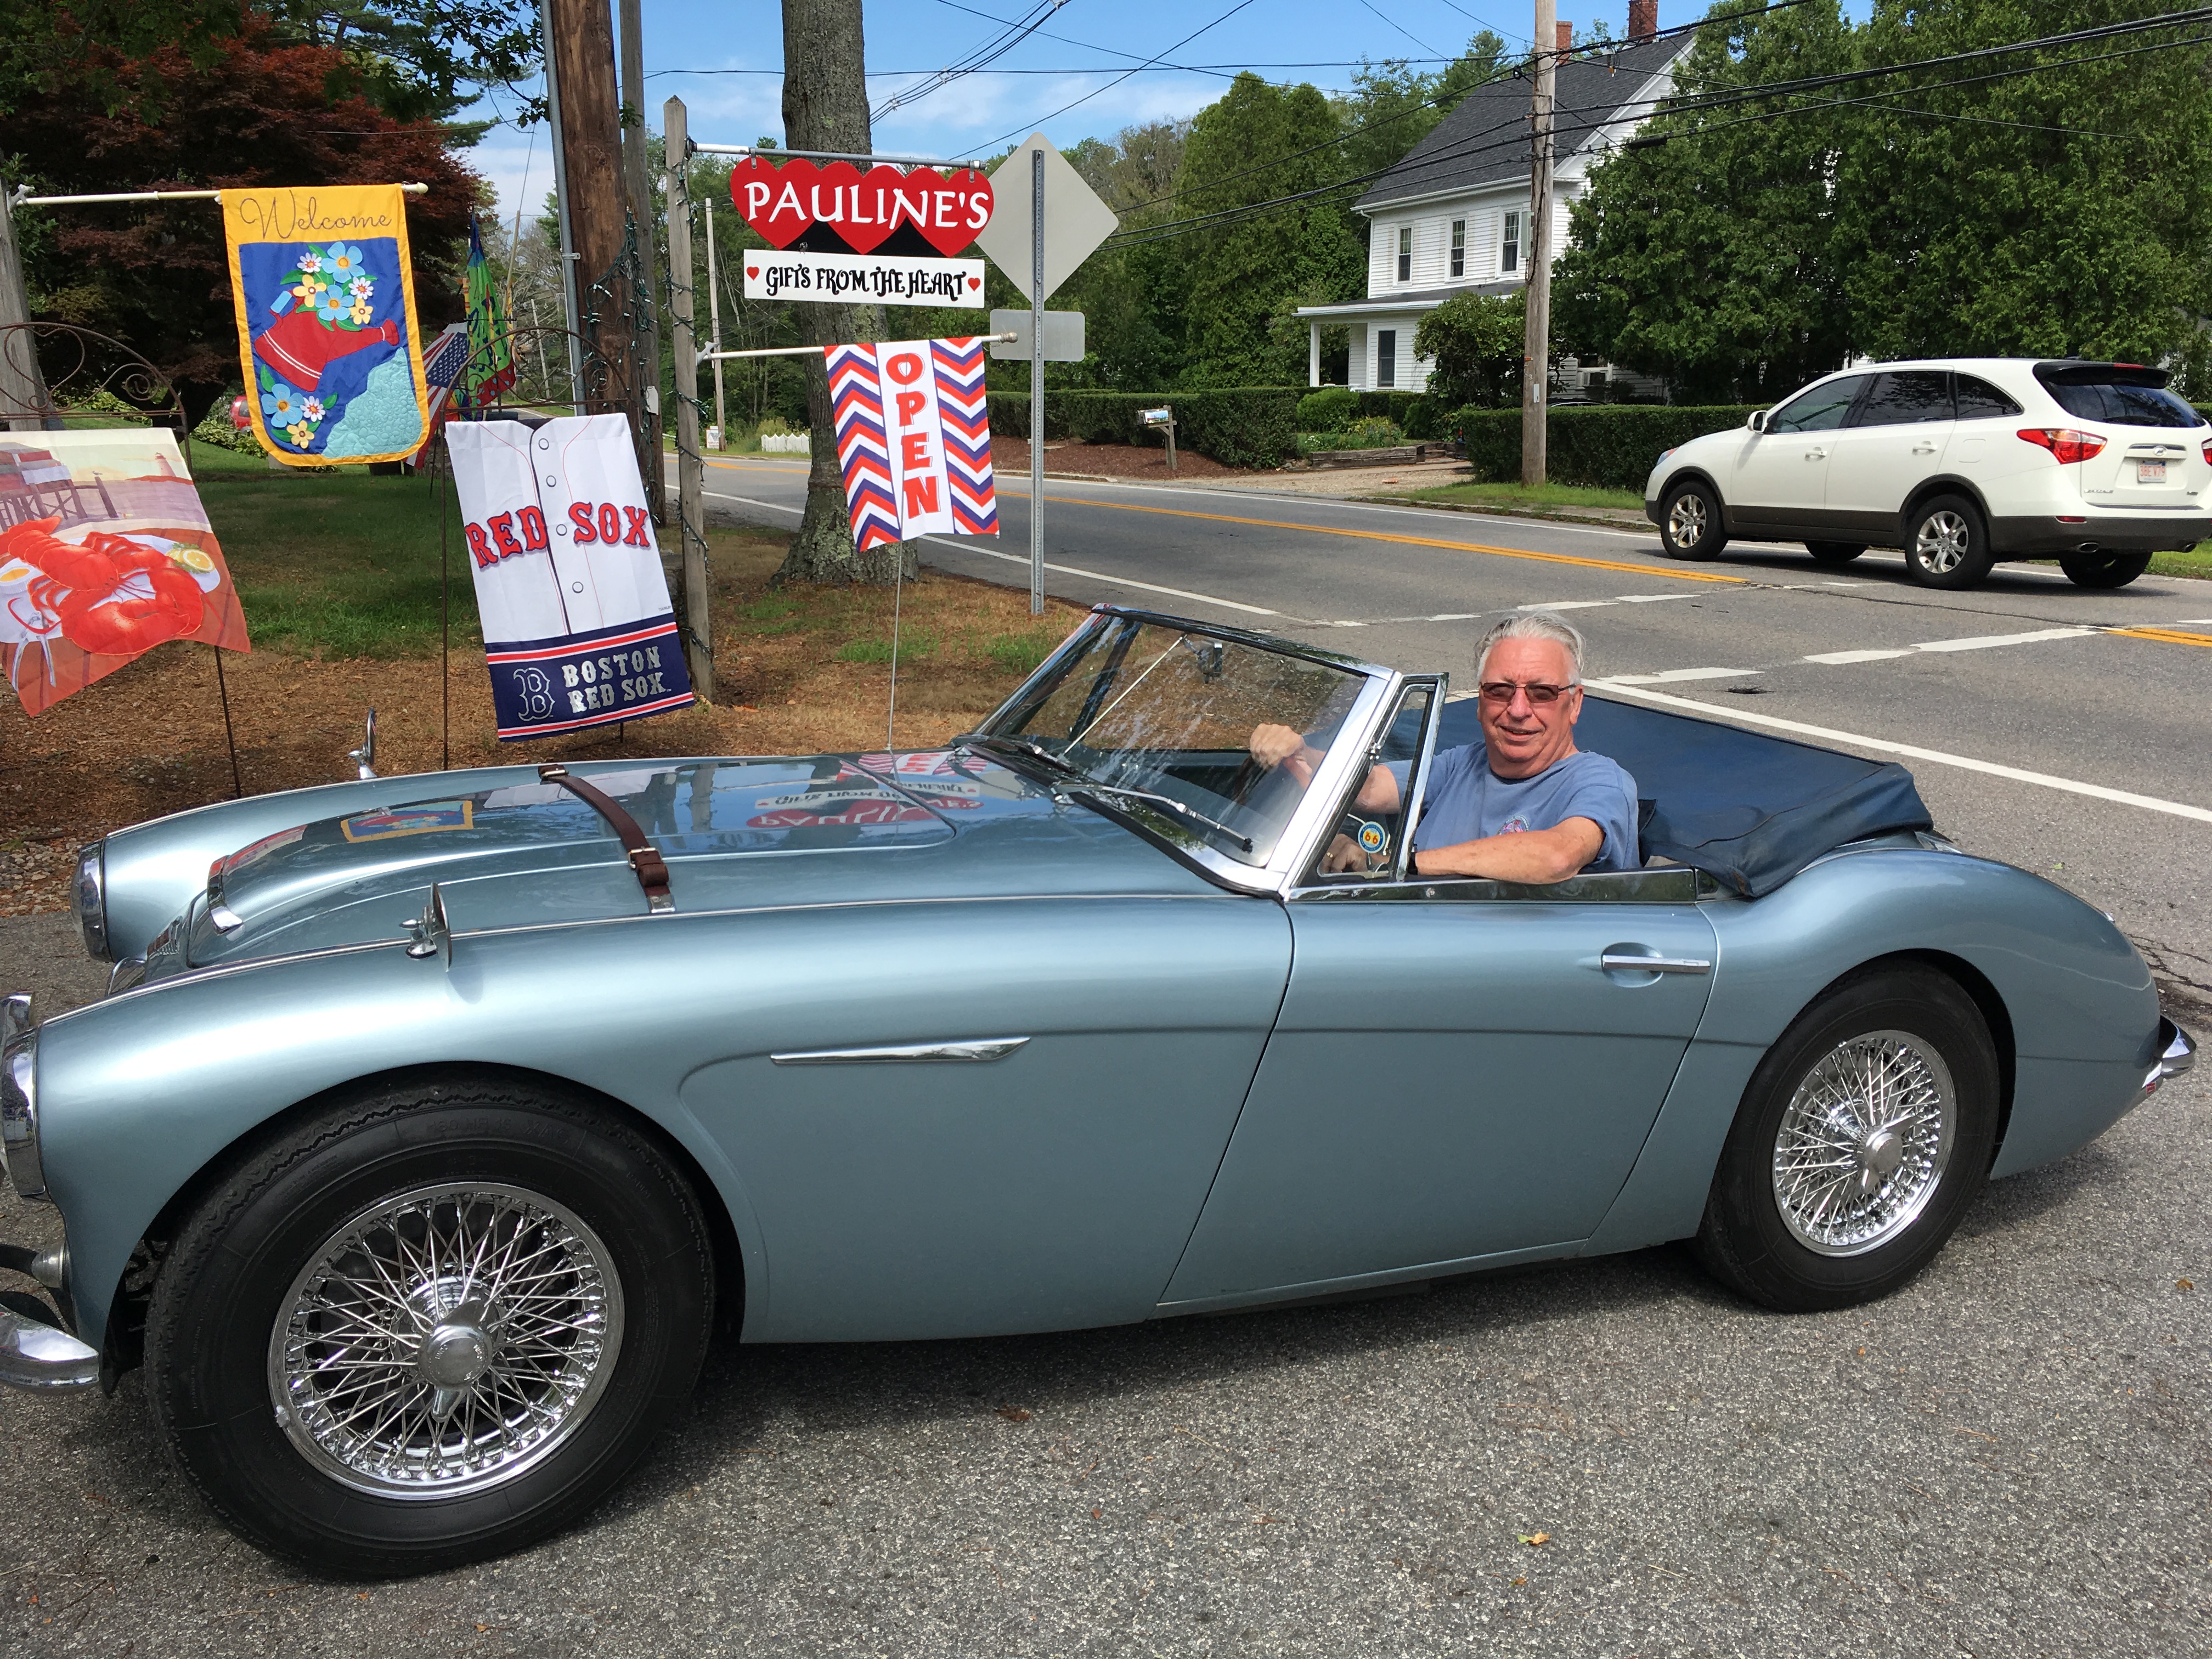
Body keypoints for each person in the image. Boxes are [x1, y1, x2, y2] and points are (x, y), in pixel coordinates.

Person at [1248, 613, 1638, 882]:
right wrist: (1297, 751)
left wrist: (1398, 866)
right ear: (1481, 703)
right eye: (1500, 691)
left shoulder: (1600, 782)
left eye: (1542, 693)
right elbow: (1365, 790)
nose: (1519, 710)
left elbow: (1559, 856)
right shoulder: (1460, 765)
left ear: (1575, 703)